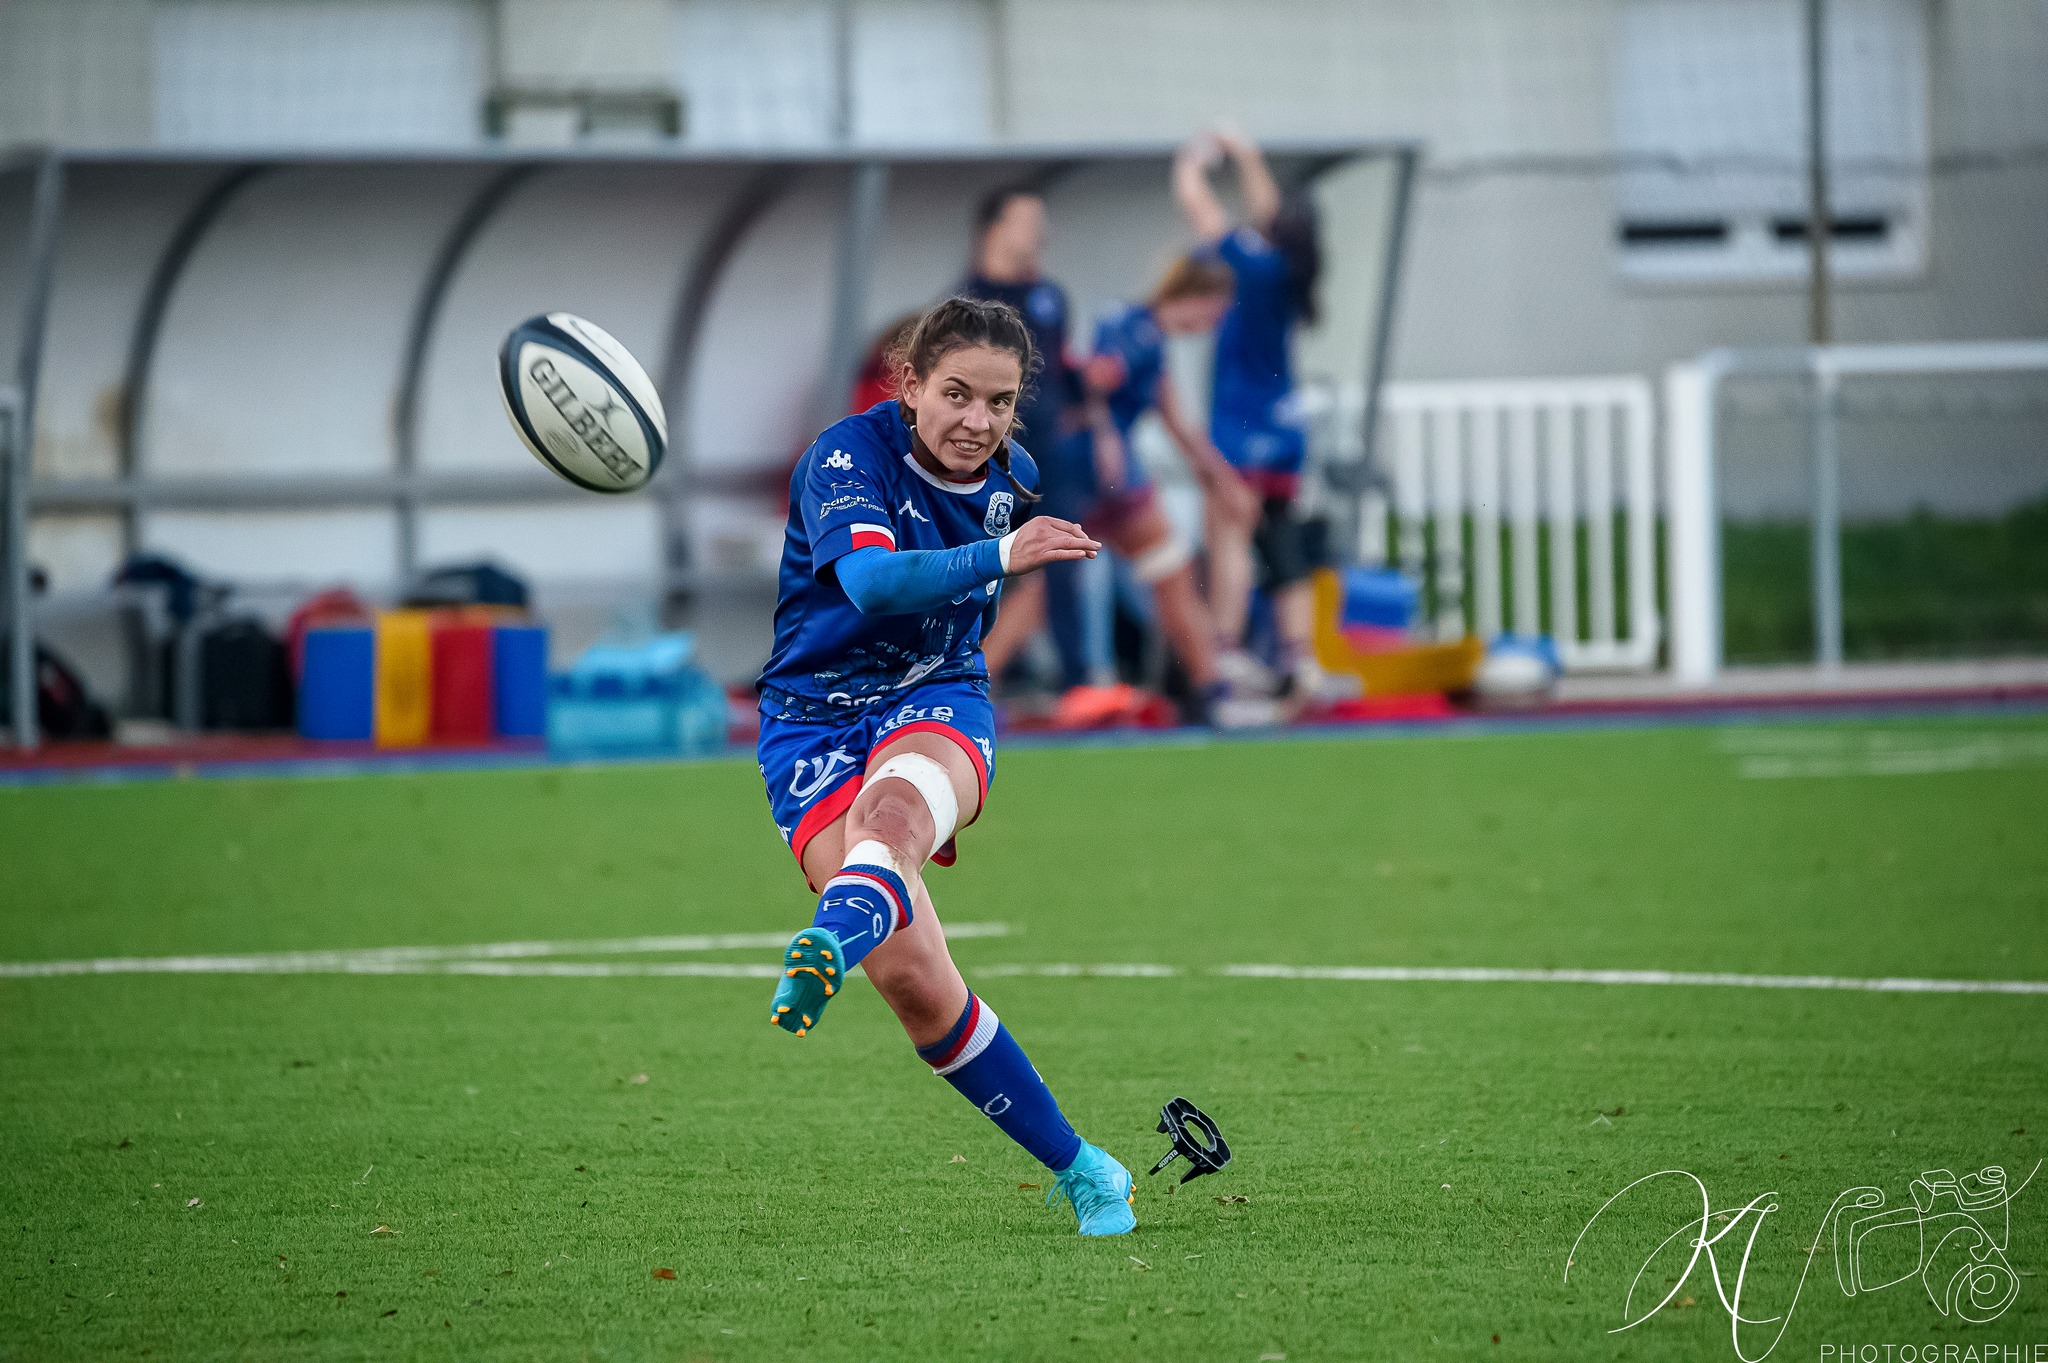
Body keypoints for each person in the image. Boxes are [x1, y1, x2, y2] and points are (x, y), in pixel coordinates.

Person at [754, 296, 1138, 1236]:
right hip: (810, 725)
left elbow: (1008, 536)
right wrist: (1004, 553)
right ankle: (1087, 1166)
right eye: (957, 394)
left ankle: (829, 940)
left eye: (999, 403)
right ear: (911, 384)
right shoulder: (845, 459)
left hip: (937, 695)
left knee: (890, 821)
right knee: (917, 984)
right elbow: (874, 583)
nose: (976, 420)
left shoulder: (1014, 473)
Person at [1048, 256, 1259, 712]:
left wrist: (1221, 480)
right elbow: (1094, 379)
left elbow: (1177, 423)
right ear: (1199, 298)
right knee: (1167, 574)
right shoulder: (1135, 330)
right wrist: (1105, 436)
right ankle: (1209, 690)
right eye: (1215, 312)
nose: (1212, 325)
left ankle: (1207, 687)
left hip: (1102, 477)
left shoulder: (1150, 339)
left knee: (1164, 573)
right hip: (1095, 475)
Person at [1173, 131, 1327, 694]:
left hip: (1239, 424)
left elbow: (1198, 203)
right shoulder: (1292, 270)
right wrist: (1248, 156)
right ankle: (1298, 658)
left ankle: (1227, 650)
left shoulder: (1250, 263)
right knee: (1283, 540)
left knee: (1230, 537)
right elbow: (1267, 210)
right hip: (1284, 426)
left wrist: (1195, 161)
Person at [955, 185, 1089, 690]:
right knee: (983, 563)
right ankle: (971, 673)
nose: (1040, 233)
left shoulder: (1049, 297)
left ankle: (1076, 680)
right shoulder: (965, 305)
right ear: (994, 230)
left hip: (1049, 454)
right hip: (988, 456)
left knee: (1063, 557)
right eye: (1028, 221)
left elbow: (1064, 376)